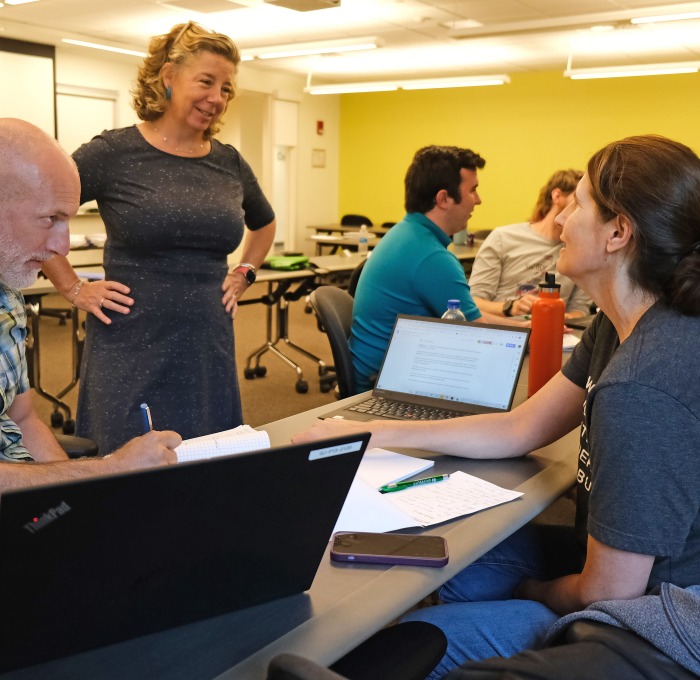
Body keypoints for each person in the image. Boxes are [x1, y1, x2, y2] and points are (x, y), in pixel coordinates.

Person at [294, 135, 700, 678]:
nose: (558, 221)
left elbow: (610, 593)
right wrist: (367, 432)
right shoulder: (622, 324)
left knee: (405, 649)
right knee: (442, 563)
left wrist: (533, 590)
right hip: (626, 568)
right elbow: (522, 426)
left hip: (652, 611)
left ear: (619, 232)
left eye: (576, 204)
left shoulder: (641, 385)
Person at [42, 22, 276, 454]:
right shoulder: (113, 153)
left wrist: (245, 270)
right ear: (168, 77)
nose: (217, 99)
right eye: (206, 81)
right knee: (127, 464)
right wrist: (73, 287)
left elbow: (264, 223)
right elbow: (37, 211)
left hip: (207, 340)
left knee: (207, 460)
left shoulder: (228, 162)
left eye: (226, 88)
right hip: (131, 340)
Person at [0, 117, 179, 488]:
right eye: (51, 219)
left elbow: (23, 418)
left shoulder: (8, 297)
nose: (62, 248)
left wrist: (77, 497)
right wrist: (108, 469)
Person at [349, 145, 522, 393]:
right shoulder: (432, 258)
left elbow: (473, 318)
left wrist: (524, 327)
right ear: (443, 199)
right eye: (472, 190)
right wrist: (534, 333)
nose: (479, 199)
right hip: (385, 387)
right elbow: (481, 335)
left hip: (379, 372)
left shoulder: (407, 234)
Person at [469, 169, 593, 320]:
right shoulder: (503, 238)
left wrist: (558, 317)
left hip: (552, 332)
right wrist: (511, 307)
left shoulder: (583, 250)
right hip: (504, 331)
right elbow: (473, 302)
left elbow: (580, 310)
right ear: (557, 196)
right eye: (578, 201)